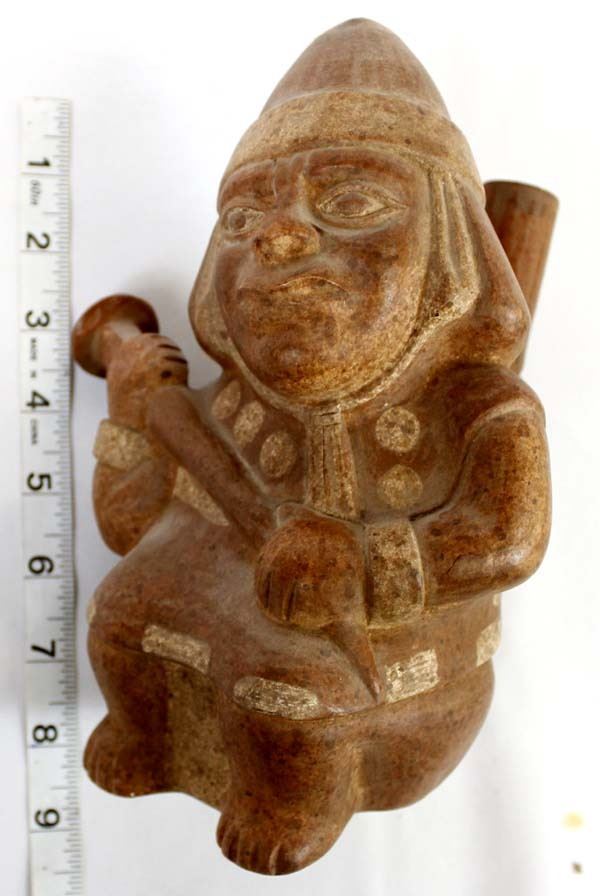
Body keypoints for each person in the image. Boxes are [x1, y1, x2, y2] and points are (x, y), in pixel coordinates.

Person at [81, 18, 551, 875]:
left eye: (354, 204)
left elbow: (507, 538)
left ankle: (298, 798)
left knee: (289, 679)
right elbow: (129, 527)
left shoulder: (477, 405)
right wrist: (126, 422)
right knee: (120, 612)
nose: (278, 236)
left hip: (398, 698)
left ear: (453, 253)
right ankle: (149, 736)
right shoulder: (226, 406)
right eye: (242, 216)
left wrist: (364, 564)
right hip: (228, 612)